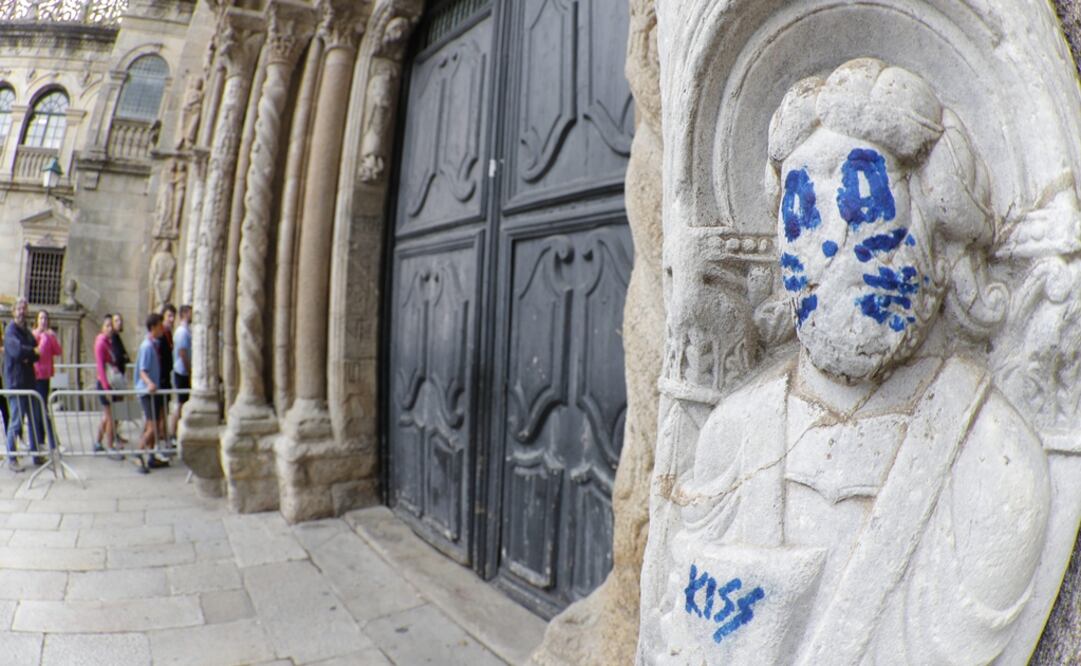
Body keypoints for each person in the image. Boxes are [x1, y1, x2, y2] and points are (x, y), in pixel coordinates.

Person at [657, 59, 1050, 665]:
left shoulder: (991, 459)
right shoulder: (735, 433)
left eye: (863, 206)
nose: (829, 244)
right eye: (803, 213)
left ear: (939, 238)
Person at [3, 298, 42, 470]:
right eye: (18, 308)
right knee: (16, 421)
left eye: (24, 308)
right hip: (16, 382)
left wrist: (30, 354)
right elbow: (17, 351)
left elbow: (37, 352)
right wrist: (29, 353)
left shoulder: (26, 331)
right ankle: (12, 458)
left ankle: (36, 455)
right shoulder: (10, 331)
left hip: (29, 381)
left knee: (34, 419)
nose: (21, 311)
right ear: (13, 311)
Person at [134, 313, 168, 474]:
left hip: (151, 391)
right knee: (153, 426)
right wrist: (150, 383)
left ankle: (151, 455)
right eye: (160, 325)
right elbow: (142, 371)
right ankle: (139, 452)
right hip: (146, 391)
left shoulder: (153, 344)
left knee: (152, 424)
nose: (162, 328)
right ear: (153, 327)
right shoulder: (147, 346)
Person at [31, 310, 61, 452]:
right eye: (41, 318)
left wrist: (53, 338)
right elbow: (38, 350)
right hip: (36, 375)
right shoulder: (34, 335)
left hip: (46, 376)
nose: (43, 321)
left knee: (42, 407)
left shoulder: (49, 336)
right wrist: (44, 336)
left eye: (45, 318)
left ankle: (42, 439)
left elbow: (58, 351)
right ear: (37, 320)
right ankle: (51, 441)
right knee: (41, 408)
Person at [93, 313, 119, 457]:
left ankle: (97, 442)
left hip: (108, 382)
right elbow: (101, 368)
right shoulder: (101, 343)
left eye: (111, 326)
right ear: (102, 328)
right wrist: (106, 388)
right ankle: (110, 446)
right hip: (104, 383)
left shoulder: (108, 342)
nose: (110, 328)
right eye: (107, 326)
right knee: (110, 416)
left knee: (107, 415)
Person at [171, 304, 192, 438]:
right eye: (190, 312)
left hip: (181, 370)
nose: (192, 315)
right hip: (182, 371)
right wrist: (189, 370)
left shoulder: (183, 330)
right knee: (180, 404)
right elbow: (183, 352)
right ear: (184, 314)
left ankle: (175, 431)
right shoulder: (183, 332)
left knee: (181, 403)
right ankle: (173, 432)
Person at [158, 304, 176, 447]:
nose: (172, 319)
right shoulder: (161, 334)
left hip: (165, 376)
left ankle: (164, 435)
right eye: (169, 316)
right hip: (160, 377)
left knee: (165, 407)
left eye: (173, 316)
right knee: (160, 409)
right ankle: (160, 436)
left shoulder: (168, 333)